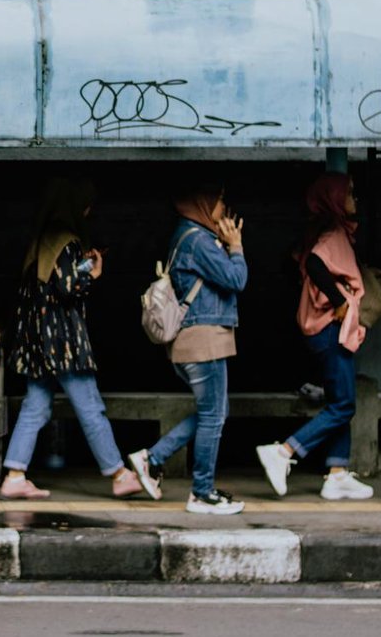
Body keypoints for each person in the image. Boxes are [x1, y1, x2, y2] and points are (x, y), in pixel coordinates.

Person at [0, 178, 142, 501]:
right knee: (90, 406)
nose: (89, 210)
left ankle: (15, 475)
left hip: (37, 340)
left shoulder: (41, 239)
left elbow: (48, 284)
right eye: (86, 203)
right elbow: (68, 289)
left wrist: (82, 267)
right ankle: (118, 473)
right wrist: (92, 274)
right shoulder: (67, 239)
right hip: (63, 342)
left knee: (35, 406)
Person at [126, 180, 248, 516]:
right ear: (205, 204)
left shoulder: (193, 237)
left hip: (199, 339)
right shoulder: (197, 240)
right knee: (213, 416)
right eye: (221, 201)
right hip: (203, 339)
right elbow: (237, 280)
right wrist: (235, 246)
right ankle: (201, 492)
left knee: (214, 413)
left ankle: (153, 459)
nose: (225, 209)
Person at [256, 173, 375, 501]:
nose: (355, 199)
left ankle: (337, 473)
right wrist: (338, 301)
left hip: (322, 329)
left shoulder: (321, 230)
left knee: (340, 399)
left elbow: (297, 262)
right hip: (330, 330)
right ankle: (283, 451)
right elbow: (317, 265)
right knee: (343, 405)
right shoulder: (333, 233)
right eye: (349, 193)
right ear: (334, 199)